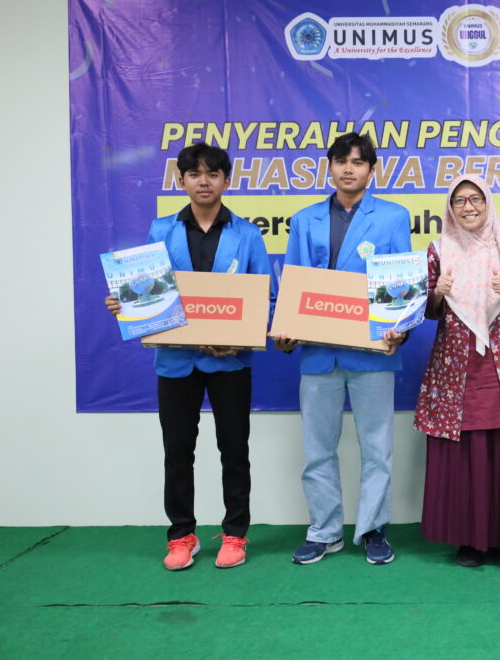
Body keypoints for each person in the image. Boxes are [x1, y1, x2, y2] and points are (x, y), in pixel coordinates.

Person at [104, 142, 274, 570]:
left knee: (234, 449)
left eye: (212, 174)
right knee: (177, 451)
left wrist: (240, 341)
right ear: (181, 181)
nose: (204, 181)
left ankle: (235, 533)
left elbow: (265, 299)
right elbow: (146, 290)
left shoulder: (247, 234)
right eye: (195, 174)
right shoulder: (161, 230)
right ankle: (181, 536)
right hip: (175, 362)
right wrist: (127, 303)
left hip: (230, 362)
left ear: (226, 181)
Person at [273, 132, 410, 566]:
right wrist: (286, 328)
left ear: (372, 169)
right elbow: (293, 284)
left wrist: (400, 329)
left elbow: (401, 285)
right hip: (318, 353)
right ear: (329, 167)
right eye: (341, 161)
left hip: (372, 352)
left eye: (358, 162)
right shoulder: (305, 219)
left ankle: (373, 529)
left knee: (377, 449)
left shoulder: (393, 217)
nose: (349, 169)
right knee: (317, 448)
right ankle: (324, 531)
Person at [414, 174, 500, 567]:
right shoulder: (439, 250)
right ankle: (469, 540)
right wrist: (436, 295)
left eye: (475, 199)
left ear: (488, 203)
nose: (468, 207)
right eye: (459, 201)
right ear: (450, 209)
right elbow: (420, 306)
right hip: (456, 365)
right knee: (464, 453)